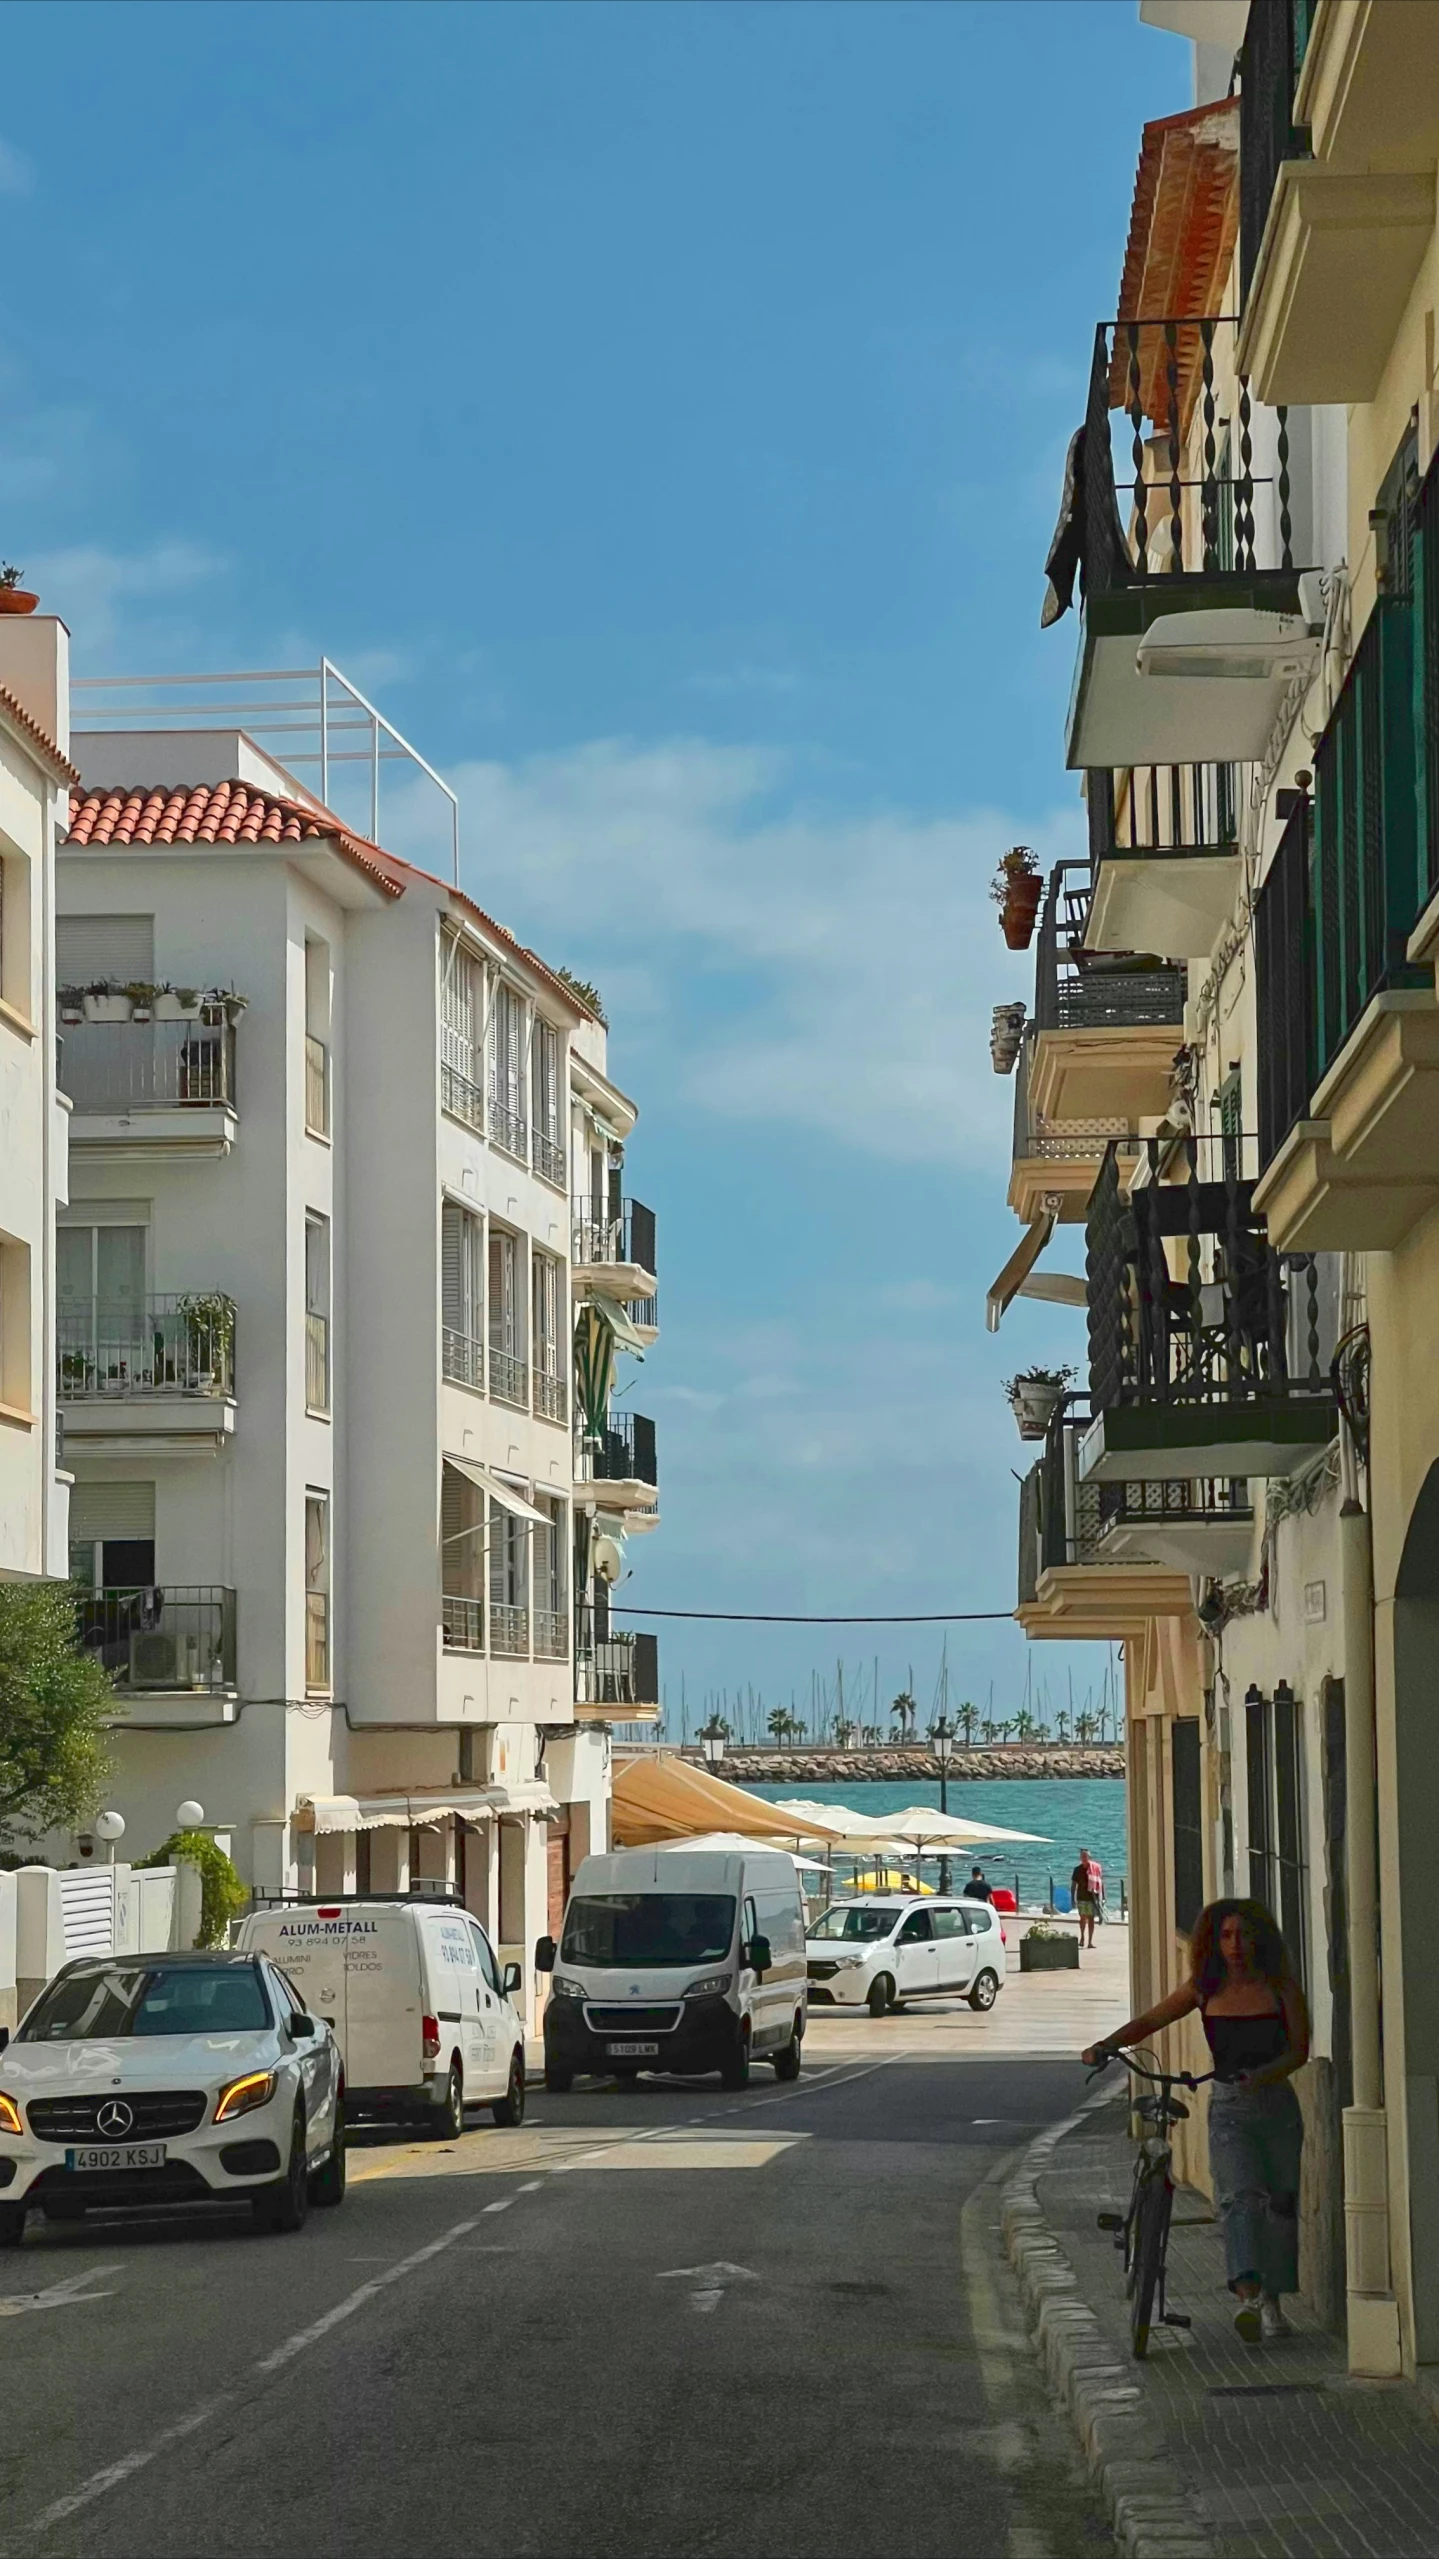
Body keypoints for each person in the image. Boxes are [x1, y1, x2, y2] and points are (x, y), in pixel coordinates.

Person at [1082, 1898, 1309, 2344]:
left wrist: (1265, 2074)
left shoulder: (1280, 1988)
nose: (1236, 1945)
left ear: (1258, 1938)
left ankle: (1273, 2302)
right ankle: (1247, 2297)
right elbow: (1152, 2019)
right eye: (1226, 1936)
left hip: (1278, 2108)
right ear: (1214, 1942)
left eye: (1243, 1935)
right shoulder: (1205, 1989)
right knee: (1238, 2198)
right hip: (1229, 2109)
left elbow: (1299, 2050)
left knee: (1280, 2206)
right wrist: (1106, 2044)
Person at [1071, 1848, 1102, 1949]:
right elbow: (1073, 1885)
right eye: (1082, 1856)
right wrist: (1072, 1898)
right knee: (1082, 1918)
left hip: (1092, 1897)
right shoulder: (1077, 1869)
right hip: (1081, 1897)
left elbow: (1100, 1883)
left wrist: (1103, 1897)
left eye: (1085, 1856)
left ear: (1089, 1857)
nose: (1083, 1858)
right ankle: (1082, 1937)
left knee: (1091, 1919)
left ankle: (1090, 1942)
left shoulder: (1095, 1868)